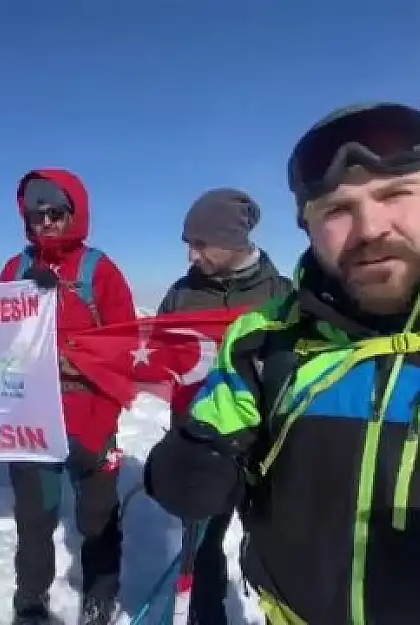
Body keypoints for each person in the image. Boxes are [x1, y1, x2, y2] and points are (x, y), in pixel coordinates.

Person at [144, 102, 420, 624]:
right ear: (307, 229)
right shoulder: (264, 341)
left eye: (395, 193)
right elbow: (202, 447)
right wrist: (188, 465)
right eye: (335, 210)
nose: (370, 227)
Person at [0, 168, 137, 625]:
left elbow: (127, 343)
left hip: (92, 414)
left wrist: (98, 397)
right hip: (33, 419)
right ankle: (31, 600)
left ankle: (100, 594)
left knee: (97, 515)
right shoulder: (14, 271)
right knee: (34, 518)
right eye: (37, 215)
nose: (47, 222)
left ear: (75, 213)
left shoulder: (100, 271)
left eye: (57, 212)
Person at [156, 187, 292, 625]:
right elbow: (152, 353)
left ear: (234, 241)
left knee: (277, 546)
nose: (191, 256)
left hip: (266, 451)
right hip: (202, 446)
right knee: (201, 547)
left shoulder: (282, 295)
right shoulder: (180, 296)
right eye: (188, 245)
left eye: (200, 244)